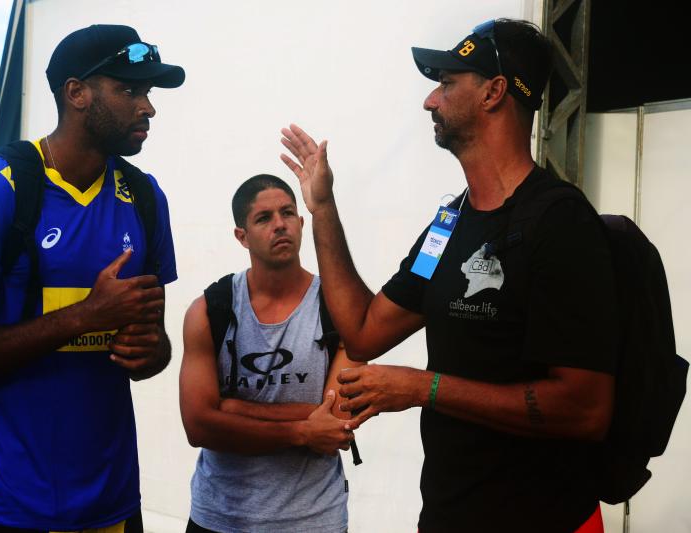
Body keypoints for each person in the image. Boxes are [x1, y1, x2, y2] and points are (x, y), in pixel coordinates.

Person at [280, 18, 616, 533]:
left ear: (494, 92)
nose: (429, 101)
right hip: (449, 514)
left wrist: (422, 387)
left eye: (446, 82)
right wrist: (322, 207)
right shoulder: (452, 220)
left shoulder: (559, 221)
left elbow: (585, 408)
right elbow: (363, 331)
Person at [0, 24, 184, 532]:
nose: (147, 107)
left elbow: (153, 348)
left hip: (112, 506)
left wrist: (151, 351)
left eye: (147, 92)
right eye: (129, 90)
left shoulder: (146, 199)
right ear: (76, 93)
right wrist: (88, 315)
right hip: (2, 509)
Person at [179, 174, 360, 533]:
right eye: (264, 218)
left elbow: (337, 422)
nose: (280, 225)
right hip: (221, 517)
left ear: (301, 223)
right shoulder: (210, 309)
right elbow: (198, 426)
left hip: (312, 520)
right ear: (241, 236)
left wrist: (231, 407)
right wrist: (303, 431)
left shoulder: (338, 305)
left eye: (288, 213)